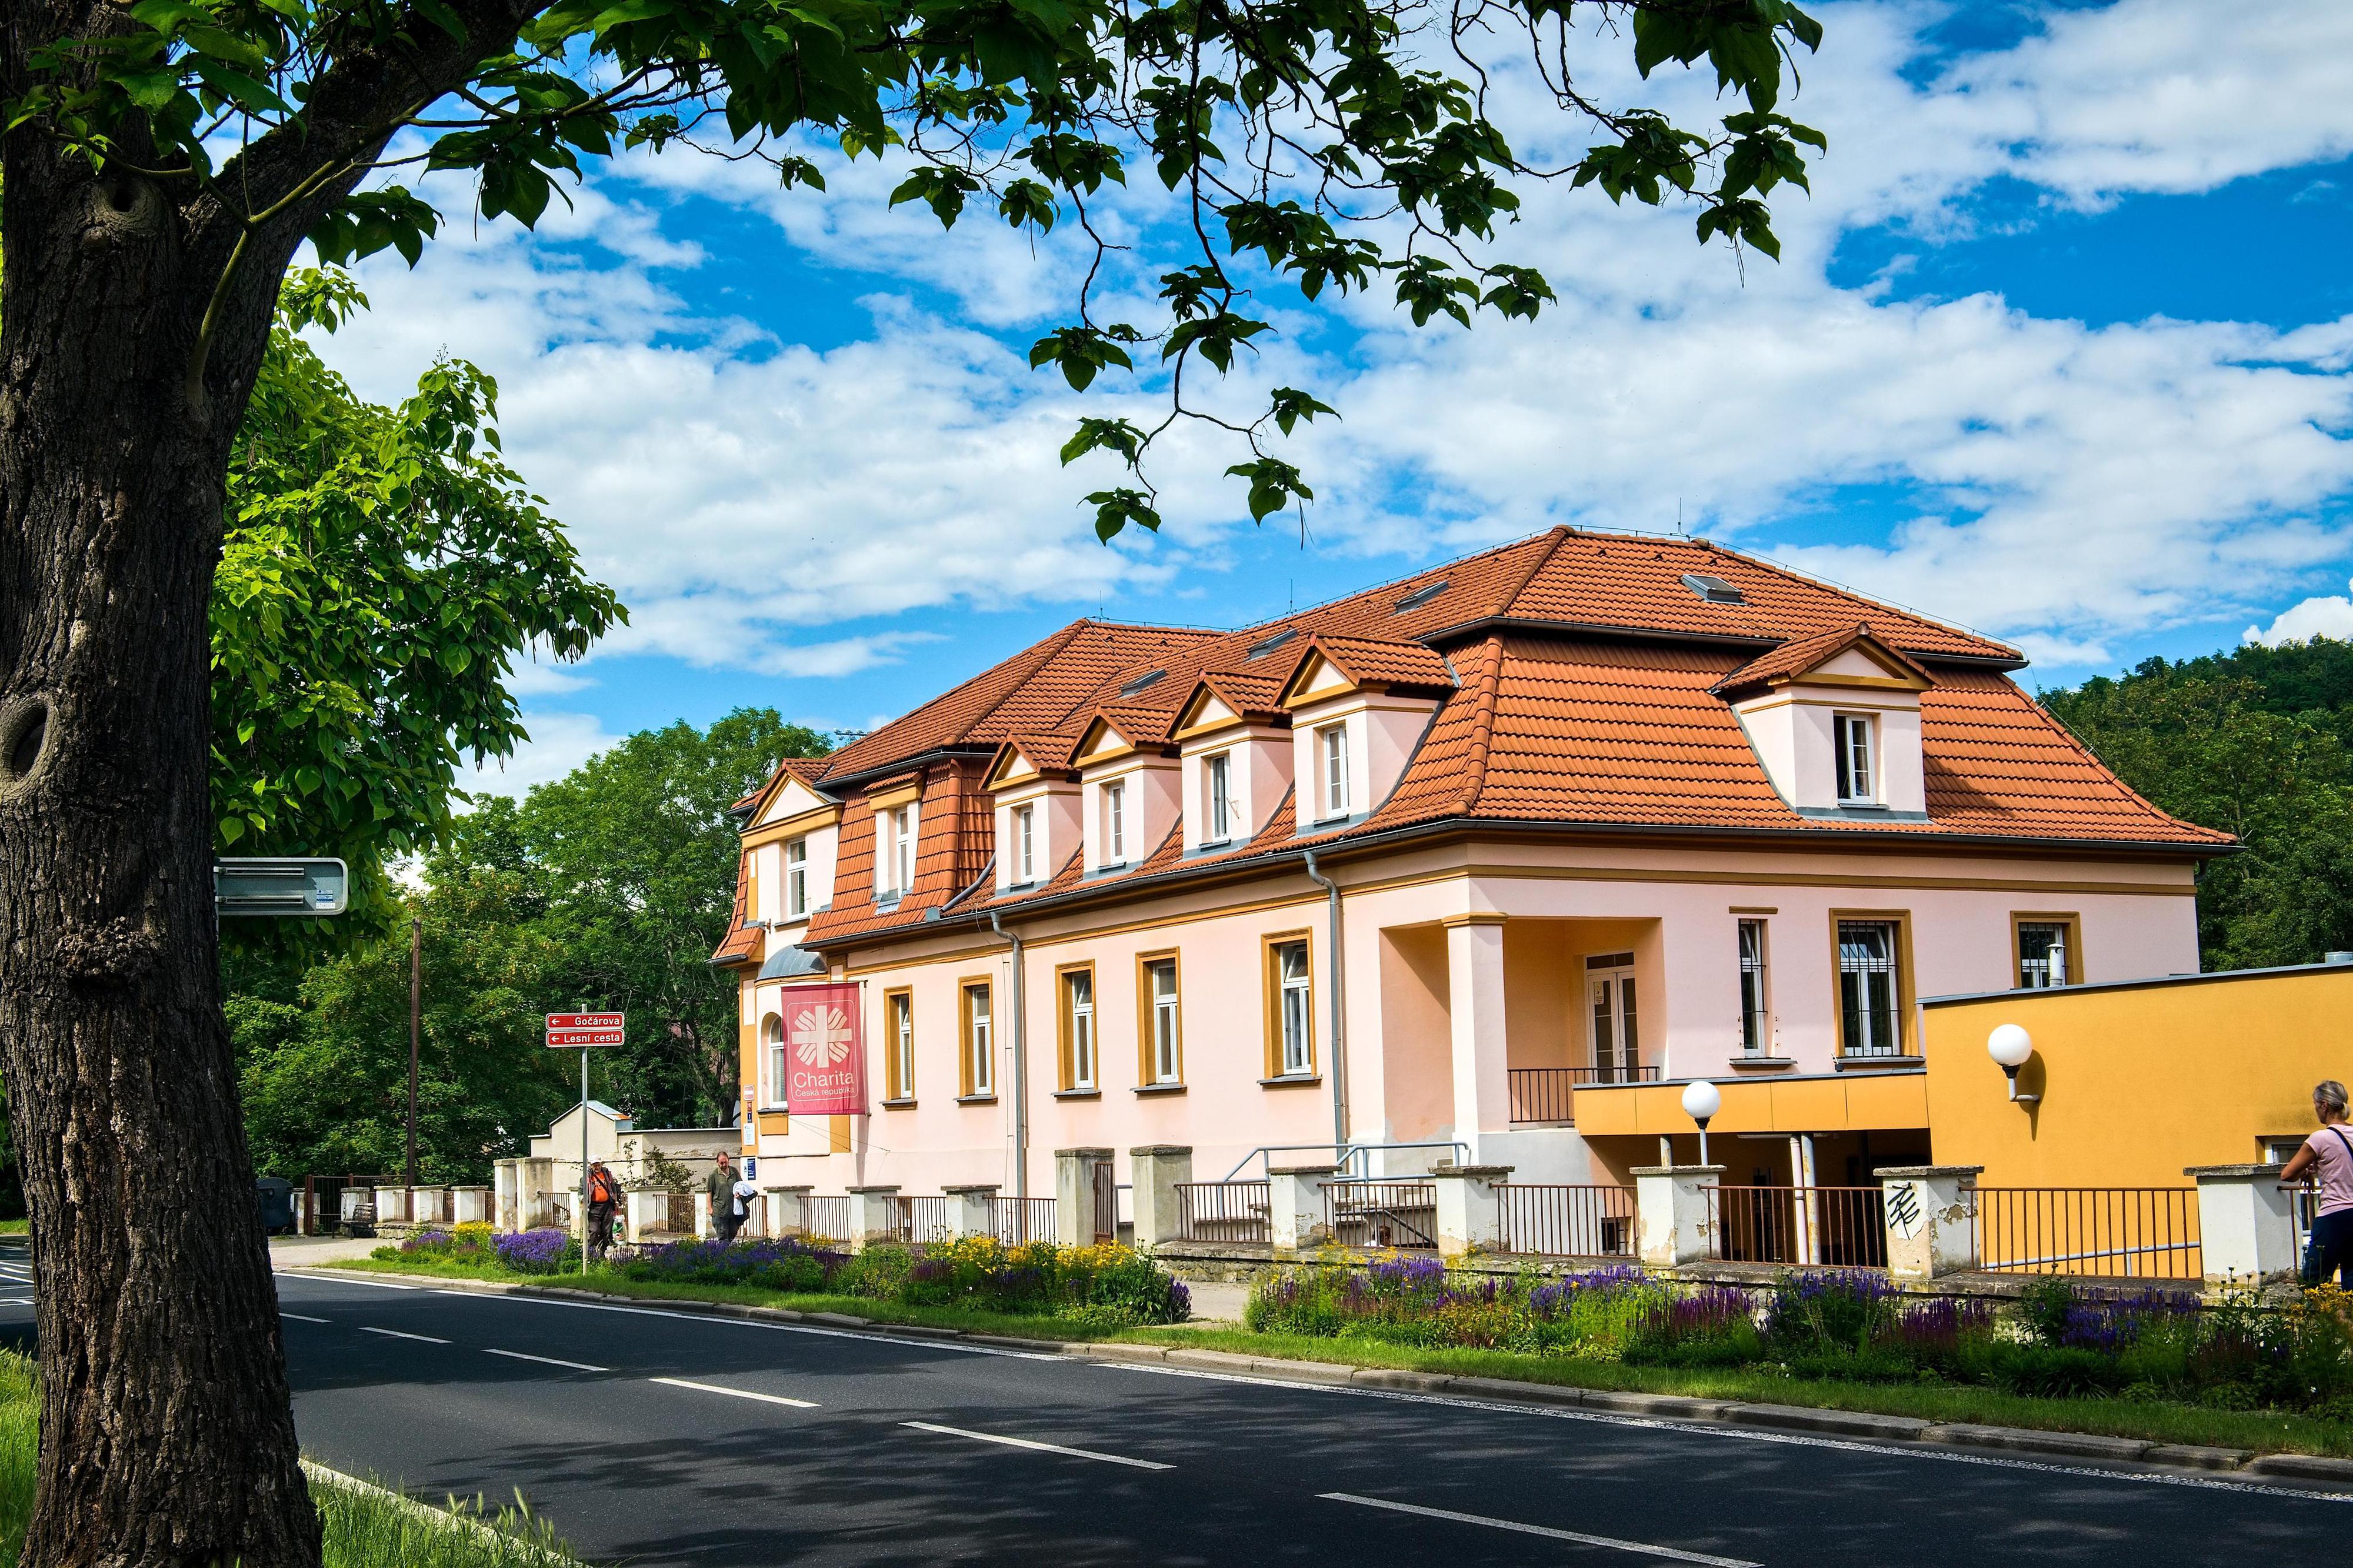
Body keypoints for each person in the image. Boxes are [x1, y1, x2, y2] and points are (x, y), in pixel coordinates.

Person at [2282, 1079, 2353, 1289]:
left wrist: (2307, 1169)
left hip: (2334, 1216)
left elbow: (2287, 1174)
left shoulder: (2321, 1139)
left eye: (2316, 1105)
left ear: (2324, 1105)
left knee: (2314, 1279)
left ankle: (2321, 1320)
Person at [585, 1160, 619, 1266]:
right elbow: (582, 1191)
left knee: (606, 1231)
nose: (597, 1167)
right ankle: (592, 1250)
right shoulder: (586, 1177)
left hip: (607, 1206)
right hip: (594, 1207)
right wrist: (583, 1203)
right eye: (595, 1166)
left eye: (599, 1165)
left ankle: (602, 1252)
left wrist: (616, 1201)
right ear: (591, 1166)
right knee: (594, 1230)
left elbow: (613, 1188)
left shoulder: (607, 1174)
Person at [705, 1152, 743, 1246]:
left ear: (728, 1160)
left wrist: (739, 1194)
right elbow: (709, 1192)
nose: (724, 1165)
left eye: (726, 1162)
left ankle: (725, 1254)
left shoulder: (734, 1172)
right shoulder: (714, 1175)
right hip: (719, 1211)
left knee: (733, 1232)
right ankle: (723, 1257)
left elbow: (741, 1186)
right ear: (717, 1162)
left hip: (734, 1211)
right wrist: (710, 1208)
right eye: (722, 1163)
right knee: (723, 1238)